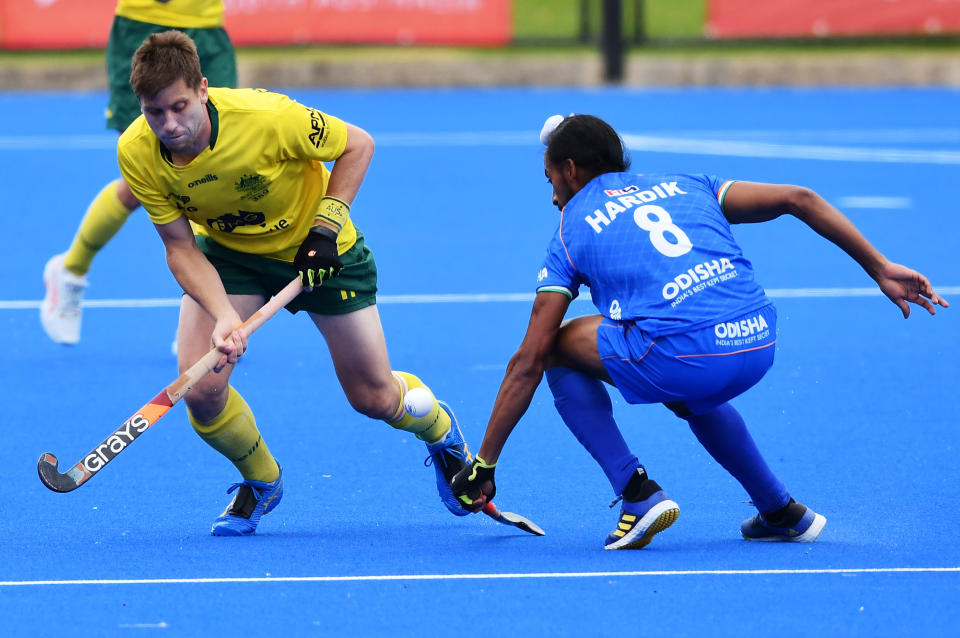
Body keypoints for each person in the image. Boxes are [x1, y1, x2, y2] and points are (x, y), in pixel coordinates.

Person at [451, 113, 948, 550]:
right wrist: (879, 266)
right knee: (673, 356)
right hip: (758, 340)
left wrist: (486, 463)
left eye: (550, 181)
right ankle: (780, 510)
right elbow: (800, 198)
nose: (554, 196)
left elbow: (528, 360)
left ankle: (637, 492)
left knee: (558, 348)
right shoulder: (690, 183)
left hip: (689, 357)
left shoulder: (570, 228)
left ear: (571, 170)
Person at [116, 30, 472, 535]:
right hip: (233, 257)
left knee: (373, 397)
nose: (169, 125)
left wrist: (325, 229)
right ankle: (262, 481)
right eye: (155, 113)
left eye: (179, 107)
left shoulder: (267, 118)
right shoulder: (136, 153)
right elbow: (180, 248)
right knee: (202, 388)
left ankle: (440, 430)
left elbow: (357, 144)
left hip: (322, 252)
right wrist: (223, 316)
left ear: (202, 89)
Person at [41, 0, 238, 346]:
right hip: (143, 25)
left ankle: (202, 313)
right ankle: (71, 270)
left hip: (207, 29)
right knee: (145, 180)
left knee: (214, 173)